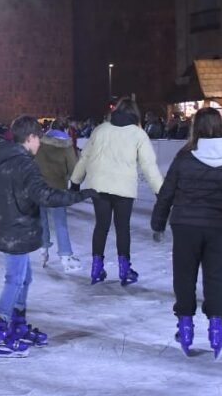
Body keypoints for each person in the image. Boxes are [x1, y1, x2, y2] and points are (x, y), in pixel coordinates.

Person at [0, 115, 95, 356]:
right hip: (17, 233)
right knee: (15, 280)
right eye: (39, 139)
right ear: (30, 138)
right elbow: (46, 196)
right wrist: (82, 194)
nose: (40, 146)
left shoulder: (1, 159)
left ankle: (16, 324)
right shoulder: (26, 165)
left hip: (12, 231)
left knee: (25, 279)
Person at [150, 109, 222, 359]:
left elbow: (167, 192)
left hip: (186, 225)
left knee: (184, 277)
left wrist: (158, 223)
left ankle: (185, 327)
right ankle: (216, 329)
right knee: (216, 278)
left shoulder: (185, 157)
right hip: (218, 227)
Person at [70, 97, 163, 286]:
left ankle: (96, 268)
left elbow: (85, 157)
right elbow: (149, 166)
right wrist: (160, 192)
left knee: (101, 226)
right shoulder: (138, 134)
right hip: (123, 187)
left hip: (99, 185)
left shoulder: (101, 129)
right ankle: (124, 268)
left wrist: (75, 181)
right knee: (123, 228)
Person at [34, 119, 82, 272]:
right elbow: (74, 168)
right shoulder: (67, 145)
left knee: (42, 220)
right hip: (57, 188)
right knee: (60, 222)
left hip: (39, 187)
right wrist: (67, 177)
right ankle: (66, 257)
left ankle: (43, 249)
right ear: (65, 129)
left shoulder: (39, 143)